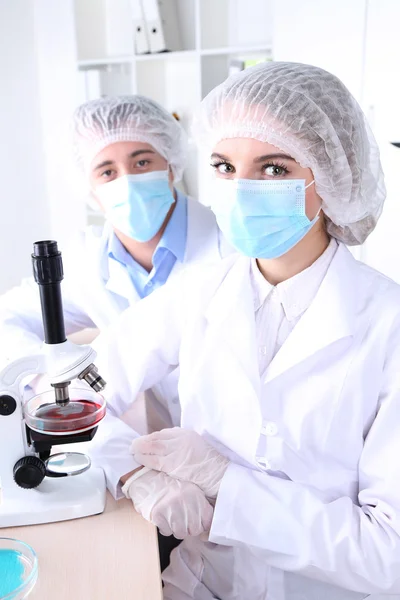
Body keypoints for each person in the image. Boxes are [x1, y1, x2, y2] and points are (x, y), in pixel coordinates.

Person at [89, 61, 400, 599]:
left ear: (332, 175)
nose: (241, 189)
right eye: (225, 167)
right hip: (203, 584)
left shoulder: (387, 325)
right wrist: (133, 474)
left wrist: (225, 484)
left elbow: (385, 556)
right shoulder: (201, 291)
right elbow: (72, 394)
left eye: (274, 168)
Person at [0, 95, 232, 432]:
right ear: (90, 189)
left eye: (141, 162)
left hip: (252, 456)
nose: (127, 181)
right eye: (107, 171)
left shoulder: (231, 246)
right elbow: (8, 318)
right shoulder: (87, 265)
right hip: (164, 448)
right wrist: (43, 374)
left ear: (170, 164)